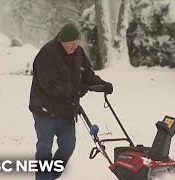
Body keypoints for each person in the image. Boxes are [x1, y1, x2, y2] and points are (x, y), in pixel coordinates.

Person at [29, 23, 113, 180]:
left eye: (77, 42)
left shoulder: (78, 53)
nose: (75, 46)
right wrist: (74, 90)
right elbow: (49, 85)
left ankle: (50, 176)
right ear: (62, 41)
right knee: (44, 148)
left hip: (67, 110)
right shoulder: (47, 53)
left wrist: (102, 84)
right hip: (44, 110)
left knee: (68, 146)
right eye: (71, 43)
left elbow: (87, 74)